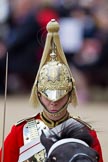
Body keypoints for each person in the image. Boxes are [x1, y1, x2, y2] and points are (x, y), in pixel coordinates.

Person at [0, 19, 103, 162]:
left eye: (60, 96)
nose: (53, 102)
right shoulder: (19, 131)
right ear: (38, 94)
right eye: (47, 96)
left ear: (70, 94)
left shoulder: (86, 132)